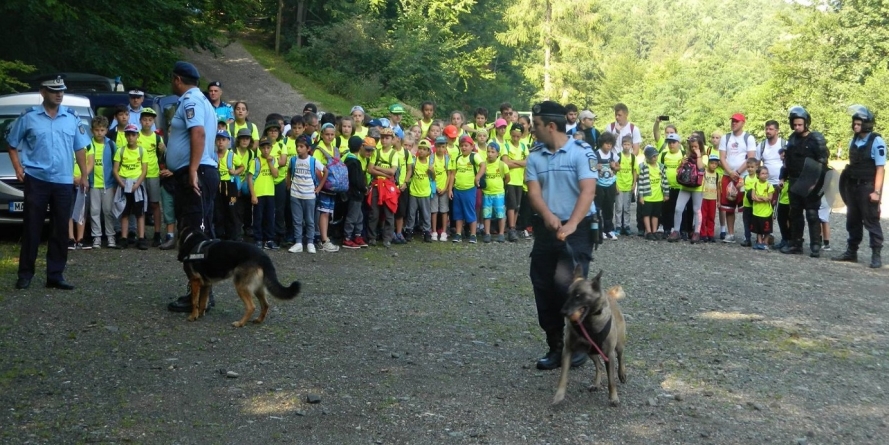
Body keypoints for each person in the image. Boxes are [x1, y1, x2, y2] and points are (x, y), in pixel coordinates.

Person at [525, 100, 596, 370]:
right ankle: (556, 346)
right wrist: (547, 216)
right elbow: (533, 192)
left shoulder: (581, 152)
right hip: (547, 229)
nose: (533, 130)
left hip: (576, 231)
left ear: (551, 126)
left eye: (537, 126)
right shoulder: (535, 156)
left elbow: (588, 191)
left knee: (568, 288)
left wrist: (572, 224)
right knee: (543, 286)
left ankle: (579, 343)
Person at [7, 75, 91, 290]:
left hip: (63, 180)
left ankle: (55, 274)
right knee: (32, 227)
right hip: (37, 179)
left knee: (60, 229)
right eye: (54, 90)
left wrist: (84, 175)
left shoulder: (71, 118)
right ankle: (25, 274)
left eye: (61, 90)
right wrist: (18, 167)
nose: (59, 94)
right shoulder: (29, 117)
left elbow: (80, 148)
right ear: (42, 92)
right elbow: (11, 143)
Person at [165, 61, 220, 313]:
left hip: (197, 173)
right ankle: (204, 292)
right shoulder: (202, 100)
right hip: (201, 171)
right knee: (201, 231)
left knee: (195, 234)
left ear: (177, 79)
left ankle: (198, 296)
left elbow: (197, 133)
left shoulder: (191, 101)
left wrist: (192, 169)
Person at [833, 105, 885, 268]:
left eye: (858, 123)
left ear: (866, 124)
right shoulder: (853, 140)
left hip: (867, 187)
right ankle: (852, 252)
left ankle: (876, 254)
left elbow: (880, 168)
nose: (855, 126)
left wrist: (877, 192)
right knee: (852, 220)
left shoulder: (877, 141)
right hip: (852, 186)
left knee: (871, 221)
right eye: (854, 123)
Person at [779, 106, 828, 257]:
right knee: (795, 214)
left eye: (800, 124)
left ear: (806, 123)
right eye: (795, 124)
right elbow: (788, 161)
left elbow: (823, 162)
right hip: (794, 181)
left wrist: (817, 182)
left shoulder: (816, 139)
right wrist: (783, 176)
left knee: (812, 214)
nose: (797, 127)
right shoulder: (792, 139)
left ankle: (815, 245)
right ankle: (796, 243)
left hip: (811, 182)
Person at [719, 113, 756, 243]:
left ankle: (748, 234)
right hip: (727, 176)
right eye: (732, 121)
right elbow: (722, 157)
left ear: (742, 123)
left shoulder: (748, 138)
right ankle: (730, 233)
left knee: (746, 207)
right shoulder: (726, 137)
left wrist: (738, 172)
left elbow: (750, 158)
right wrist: (730, 172)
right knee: (728, 206)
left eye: (736, 121)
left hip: (743, 176)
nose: (734, 123)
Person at [113, 124, 149, 249]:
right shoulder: (120, 151)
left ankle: (141, 238)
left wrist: (138, 184)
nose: (130, 137)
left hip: (136, 185)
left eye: (133, 135)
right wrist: (121, 183)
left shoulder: (142, 151)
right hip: (124, 184)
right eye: (128, 135)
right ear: (125, 136)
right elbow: (115, 169)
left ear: (137, 136)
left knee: (139, 213)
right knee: (125, 212)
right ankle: (124, 238)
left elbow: (144, 170)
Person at [286, 135, 324, 253]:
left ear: (308, 148)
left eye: (301, 146)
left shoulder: (313, 161)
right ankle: (298, 242)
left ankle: (310, 242)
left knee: (310, 220)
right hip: (295, 194)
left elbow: (325, 171)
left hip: (309, 195)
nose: (298, 149)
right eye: (297, 146)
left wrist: (319, 188)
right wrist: (289, 184)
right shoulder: (293, 160)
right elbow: (288, 171)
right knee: (297, 220)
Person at [87, 116, 118, 249]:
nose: (99, 133)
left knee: (108, 210)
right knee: (94, 211)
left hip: (109, 183)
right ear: (92, 130)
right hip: (94, 183)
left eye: (102, 130)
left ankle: (110, 236)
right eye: (97, 130)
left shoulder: (111, 144)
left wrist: (116, 182)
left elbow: (116, 162)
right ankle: (96, 237)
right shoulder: (88, 144)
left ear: (106, 130)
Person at [668, 135, 706, 243]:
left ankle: (697, 233)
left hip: (697, 187)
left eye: (696, 146)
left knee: (696, 210)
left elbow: (701, 168)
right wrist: (682, 163)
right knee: (678, 208)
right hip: (685, 186)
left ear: (700, 146)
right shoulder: (686, 155)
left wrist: (698, 155)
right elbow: (679, 170)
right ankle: (676, 231)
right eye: (692, 147)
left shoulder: (704, 156)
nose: (694, 149)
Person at [448, 135, 485, 243]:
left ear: (471, 146)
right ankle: (458, 233)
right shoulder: (458, 158)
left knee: (470, 211)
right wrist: (450, 189)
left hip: (469, 189)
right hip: (458, 189)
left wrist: (477, 177)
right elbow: (452, 175)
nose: (464, 148)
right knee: (458, 212)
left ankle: (473, 234)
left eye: (466, 145)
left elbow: (483, 165)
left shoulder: (474, 156)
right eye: (462, 146)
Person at [68, 127, 94, 250]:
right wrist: (71, 177)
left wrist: (82, 176)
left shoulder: (88, 144)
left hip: (83, 181)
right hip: (68, 180)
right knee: (68, 209)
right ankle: (70, 238)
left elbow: (90, 163)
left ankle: (81, 238)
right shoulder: (66, 141)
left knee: (82, 210)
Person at [341, 136, 370, 249]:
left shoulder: (346, 158)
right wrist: (364, 188)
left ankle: (357, 235)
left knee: (359, 216)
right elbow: (356, 180)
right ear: (360, 147)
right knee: (353, 216)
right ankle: (347, 237)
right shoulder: (354, 161)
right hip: (355, 193)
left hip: (353, 193)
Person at [502, 122, 528, 241]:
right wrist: (520, 162)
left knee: (517, 205)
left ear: (521, 135)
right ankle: (511, 228)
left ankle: (514, 226)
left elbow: (528, 162)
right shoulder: (506, 146)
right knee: (511, 205)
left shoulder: (524, 146)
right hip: (510, 180)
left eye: (518, 136)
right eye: (513, 136)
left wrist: (514, 162)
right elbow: (506, 163)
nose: (515, 138)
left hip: (520, 180)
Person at [405, 139, 435, 243]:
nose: (421, 151)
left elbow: (433, 178)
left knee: (426, 214)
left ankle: (427, 232)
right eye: (420, 149)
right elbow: (410, 173)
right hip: (414, 192)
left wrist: (432, 172)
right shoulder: (414, 161)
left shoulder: (430, 163)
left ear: (428, 152)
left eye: (424, 149)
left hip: (425, 192)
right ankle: (409, 230)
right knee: (411, 214)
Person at [638, 145, 669, 240]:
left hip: (658, 195)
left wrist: (666, 193)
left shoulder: (661, 167)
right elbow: (641, 182)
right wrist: (641, 196)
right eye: (653, 156)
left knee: (656, 214)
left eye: (656, 156)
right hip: (648, 195)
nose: (655, 158)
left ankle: (654, 231)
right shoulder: (644, 167)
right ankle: (648, 231)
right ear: (647, 157)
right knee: (646, 214)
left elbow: (664, 180)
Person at [481, 141, 510, 243]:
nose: (490, 154)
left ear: (498, 153)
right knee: (486, 214)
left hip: (498, 193)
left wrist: (501, 186)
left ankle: (501, 233)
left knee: (500, 214)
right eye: (488, 151)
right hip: (486, 193)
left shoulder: (502, 165)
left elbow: (507, 178)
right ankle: (487, 233)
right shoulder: (484, 164)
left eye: (493, 152)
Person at [595, 132, 620, 240]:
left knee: (609, 207)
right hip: (599, 184)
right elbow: (590, 167)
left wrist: (614, 167)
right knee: (598, 207)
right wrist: (596, 167)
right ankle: (599, 230)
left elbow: (619, 168)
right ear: (601, 143)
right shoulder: (596, 154)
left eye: (610, 144)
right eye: (606, 143)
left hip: (610, 184)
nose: (608, 146)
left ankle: (609, 229)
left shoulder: (613, 155)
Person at [614, 135, 637, 236]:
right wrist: (616, 185)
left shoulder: (633, 157)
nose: (626, 146)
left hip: (628, 185)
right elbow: (614, 172)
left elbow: (635, 171)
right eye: (624, 144)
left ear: (631, 145)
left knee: (627, 208)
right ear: (621, 145)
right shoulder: (618, 156)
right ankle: (618, 226)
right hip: (619, 184)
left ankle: (626, 226)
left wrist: (634, 184)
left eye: (628, 144)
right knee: (619, 207)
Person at [431, 136, 452, 241]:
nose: (440, 149)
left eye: (443, 146)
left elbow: (449, 174)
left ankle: (444, 231)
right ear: (435, 146)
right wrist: (436, 187)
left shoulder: (447, 159)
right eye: (438, 146)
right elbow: (430, 174)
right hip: (434, 188)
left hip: (444, 188)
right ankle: (434, 231)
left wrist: (445, 188)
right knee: (434, 210)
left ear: (446, 147)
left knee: (444, 210)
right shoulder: (431, 158)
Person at [750, 166, 775, 250]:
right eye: (762, 173)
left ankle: (765, 242)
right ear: (758, 175)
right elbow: (753, 197)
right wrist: (762, 198)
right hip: (757, 211)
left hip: (766, 212)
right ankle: (759, 242)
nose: (765, 175)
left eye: (766, 173)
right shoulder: (755, 184)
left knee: (767, 229)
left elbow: (769, 198)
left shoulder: (769, 185)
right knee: (758, 229)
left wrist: (759, 198)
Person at [701, 154, 721, 242]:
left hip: (713, 199)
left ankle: (711, 234)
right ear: (708, 163)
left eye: (715, 164)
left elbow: (719, 188)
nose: (713, 165)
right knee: (703, 216)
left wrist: (719, 200)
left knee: (711, 217)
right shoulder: (704, 172)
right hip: (704, 197)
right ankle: (703, 233)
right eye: (712, 163)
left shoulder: (717, 175)